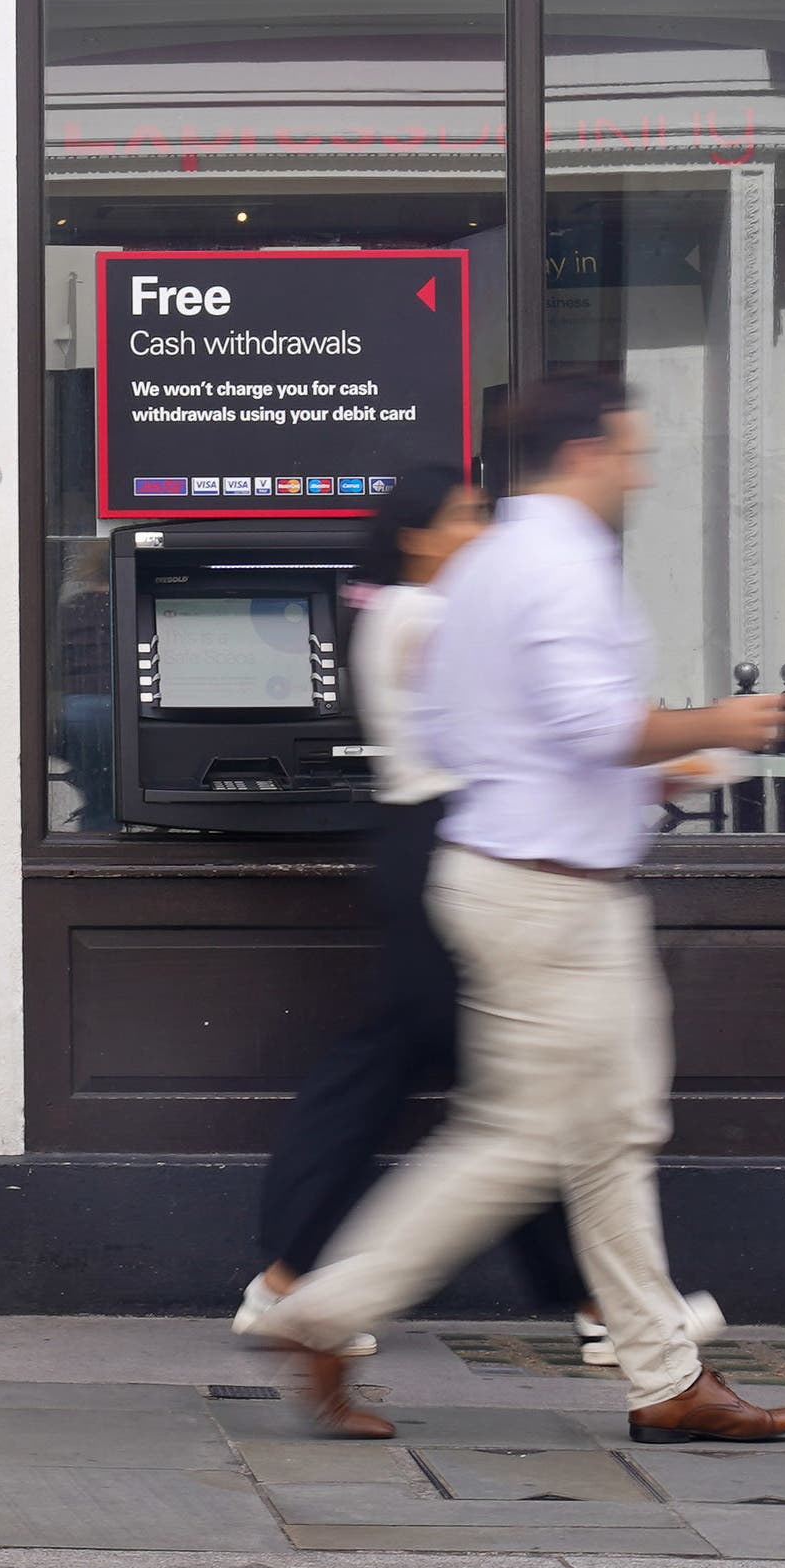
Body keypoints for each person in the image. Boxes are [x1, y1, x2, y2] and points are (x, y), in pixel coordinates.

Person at [264, 374, 785, 1447]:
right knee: (532, 1140)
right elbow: (585, 719)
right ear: (585, 452)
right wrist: (726, 722)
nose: (643, 471)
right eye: (633, 451)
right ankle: (325, 1311)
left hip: (506, 873)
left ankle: (663, 1375)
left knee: (605, 1132)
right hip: (553, 897)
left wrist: (640, 777)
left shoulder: (489, 563)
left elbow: (490, 733)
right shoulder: (561, 563)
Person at [235, 464, 596, 1392]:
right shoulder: (425, 619)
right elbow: (523, 724)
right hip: (445, 844)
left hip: (425, 845)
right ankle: (604, 1303)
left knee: (455, 1076)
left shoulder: (397, 612)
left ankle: (287, 1280)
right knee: (502, 1083)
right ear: (418, 537)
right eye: (468, 515)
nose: (483, 529)